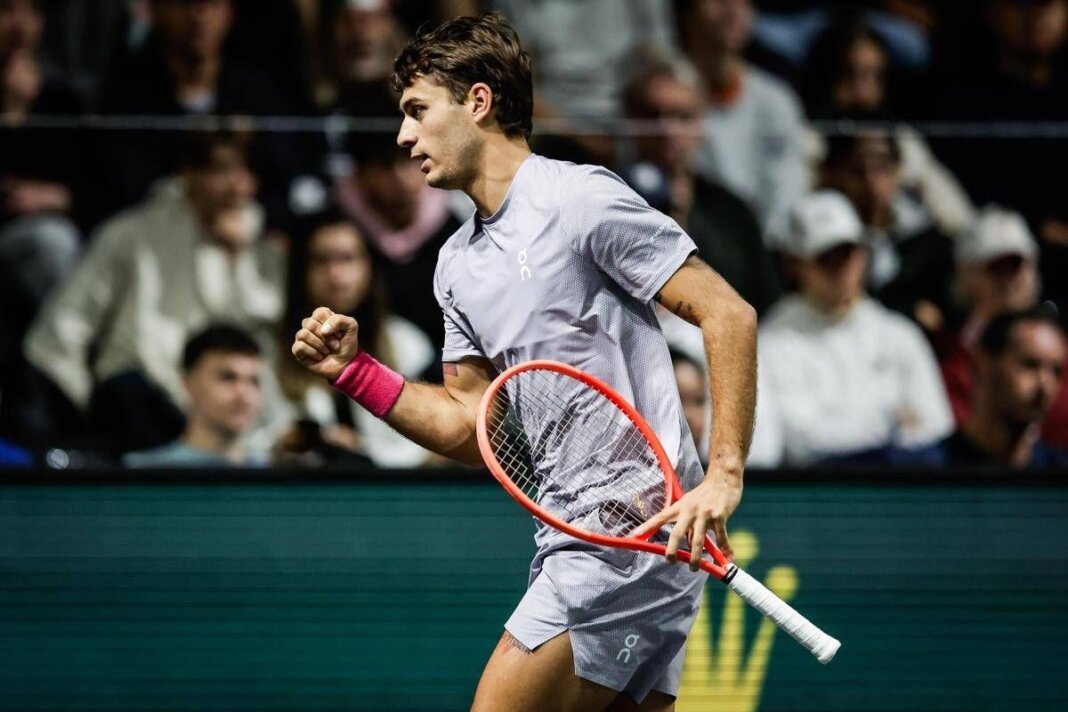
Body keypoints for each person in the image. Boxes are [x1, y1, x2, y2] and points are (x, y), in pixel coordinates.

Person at [291, 14, 758, 711]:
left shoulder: (580, 199)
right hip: (583, 538)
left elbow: (728, 314)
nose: (404, 136)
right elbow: (469, 427)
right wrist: (357, 372)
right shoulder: (455, 266)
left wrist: (724, 475)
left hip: (631, 532)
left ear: (478, 102)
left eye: (418, 110)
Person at [24, 130, 289, 457]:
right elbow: (62, 329)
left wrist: (237, 259)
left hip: (230, 420)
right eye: (221, 170)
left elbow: (262, 332)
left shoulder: (259, 245)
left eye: (246, 172)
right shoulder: (132, 234)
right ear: (188, 174)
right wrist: (86, 410)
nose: (238, 185)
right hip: (141, 406)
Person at [755, 189, 953, 466]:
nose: (840, 268)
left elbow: (935, 427)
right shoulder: (771, 342)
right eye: (826, 258)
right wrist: (889, 420)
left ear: (863, 256)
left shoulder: (900, 334)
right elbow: (798, 442)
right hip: (822, 487)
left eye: (847, 254)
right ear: (796, 265)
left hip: (903, 484)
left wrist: (840, 426)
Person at [619, 47, 781, 315]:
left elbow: (765, 306)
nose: (666, 130)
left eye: (682, 116)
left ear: (701, 122)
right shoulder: (598, 200)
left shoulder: (732, 215)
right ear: (628, 118)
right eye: (651, 115)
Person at [275, 211, 437, 468]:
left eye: (347, 258)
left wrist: (362, 450)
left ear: (369, 265)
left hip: (390, 487)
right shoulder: (272, 348)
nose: (335, 273)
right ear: (301, 270)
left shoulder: (408, 345)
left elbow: (432, 445)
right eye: (321, 260)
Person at [0, 0, 84, 443]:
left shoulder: (59, 96)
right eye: (5, 10)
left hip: (34, 239)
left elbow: (95, 184)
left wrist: (59, 196)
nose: (18, 25)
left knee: (53, 242)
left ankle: (54, 407)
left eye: (30, 12)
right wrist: (11, 116)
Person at [931, 206, 1068, 449]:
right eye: (996, 269)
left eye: (1018, 266)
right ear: (966, 274)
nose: (1010, 281)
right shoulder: (945, 356)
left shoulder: (1056, 348)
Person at [674, 0, 807, 235]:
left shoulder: (777, 101)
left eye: (743, 1)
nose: (732, 9)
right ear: (687, 13)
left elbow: (786, 195)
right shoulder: (663, 99)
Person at [819, 131, 955, 323]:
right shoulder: (823, 243)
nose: (871, 180)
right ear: (833, 174)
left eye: (881, 167)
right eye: (858, 170)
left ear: (898, 169)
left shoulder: (930, 241)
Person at [938, 307, 1068, 468]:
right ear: (984, 364)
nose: (1045, 385)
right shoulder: (923, 470)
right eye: (1030, 365)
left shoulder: (1059, 473)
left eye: (1056, 371)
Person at [124, 324, 268, 467]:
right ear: (187, 384)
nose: (244, 394)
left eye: (254, 381)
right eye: (227, 378)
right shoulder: (140, 472)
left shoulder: (270, 471)